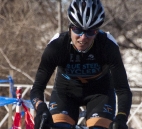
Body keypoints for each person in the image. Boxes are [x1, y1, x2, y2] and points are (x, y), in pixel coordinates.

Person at [30, 0, 132, 129]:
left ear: (97, 31)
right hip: (65, 93)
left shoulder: (107, 46)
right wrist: (41, 108)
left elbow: (123, 89)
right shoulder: (57, 46)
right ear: (70, 27)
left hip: (100, 94)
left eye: (90, 32)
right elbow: (37, 88)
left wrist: (122, 117)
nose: (83, 37)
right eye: (77, 30)